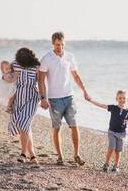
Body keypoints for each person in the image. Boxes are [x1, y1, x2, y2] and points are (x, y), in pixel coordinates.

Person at [38, 31, 91, 165]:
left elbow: (76, 76)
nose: (60, 47)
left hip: (69, 97)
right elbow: (41, 79)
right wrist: (43, 98)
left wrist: (85, 91)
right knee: (57, 128)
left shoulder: (70, 56)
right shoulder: (46, 58)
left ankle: (76, 156)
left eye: (62, 44)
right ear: (52, 43)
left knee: (74, 125)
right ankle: (60, 157)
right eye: (57, 45)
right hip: (54, 99)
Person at [8, 48, 41, 164]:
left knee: (23, 123)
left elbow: (41, 83)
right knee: (25, 127)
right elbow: (7, 74)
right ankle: (33, 156)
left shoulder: (37, 67)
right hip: (18, 98)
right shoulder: (14, 64)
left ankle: (23, 154)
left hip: (32, 98)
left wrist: (44, 98)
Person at [89, 90, 128, 172]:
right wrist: (91, 101)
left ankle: (116, 165)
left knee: (118, 151)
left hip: (122, 134)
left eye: (124, 98)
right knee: (111, 148)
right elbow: (101, 105)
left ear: (127, 99)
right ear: (116, 99)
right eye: (120, 98)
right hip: (112, 132)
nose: (122, 100)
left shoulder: (127, 111)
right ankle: (106, 163)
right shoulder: (113, 108)